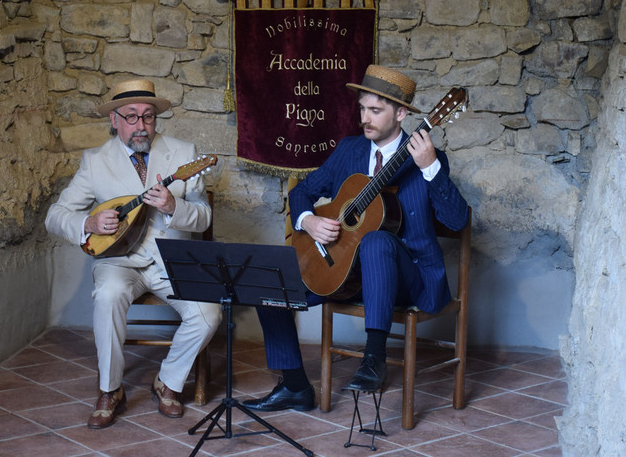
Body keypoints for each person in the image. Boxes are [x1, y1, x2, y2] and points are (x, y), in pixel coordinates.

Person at [242, 65, 469, 412]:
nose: (365, 118)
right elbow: (302, 192)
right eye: (362, 108)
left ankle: (373, 358)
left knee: (376, 242)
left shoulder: (430, 160)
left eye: (375, 110)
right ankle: (295, 386)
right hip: (349, 274)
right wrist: (309, 221)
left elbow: (458, 219)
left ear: (401, 113)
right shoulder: (349, 150)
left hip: (409, 278)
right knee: (270, 286)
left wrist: (430, 168)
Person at [45, 79, 222, 428]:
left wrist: (175, 207)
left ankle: (168, 382)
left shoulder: (184, 153)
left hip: (171, 260)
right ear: (114, 120)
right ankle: (111, 389)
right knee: (109, 295)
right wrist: (89, 223)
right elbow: (55, 216)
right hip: (119, 260)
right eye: (131, 117)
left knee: (209, 314)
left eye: (148, 117)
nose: (141, 125)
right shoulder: (95, 161)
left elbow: (203, 216)